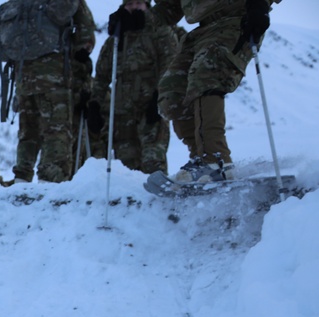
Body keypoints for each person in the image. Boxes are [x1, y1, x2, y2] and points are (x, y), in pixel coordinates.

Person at [145, 0, 280, 182]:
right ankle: (200, 161)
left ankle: (216, 160)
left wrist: (259, 5)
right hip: (201, 30)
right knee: (172, 93)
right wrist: (137, 22)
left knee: (206, 74)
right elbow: (170, 9)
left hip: (236, 19)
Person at [87, 0, 182, 175]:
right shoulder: (116, 39)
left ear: (148, 6)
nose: (134, 8)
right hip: (122, 113)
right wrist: (95, 104)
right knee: (127, 165)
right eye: (129, 4)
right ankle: (131, 200)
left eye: (139, 3)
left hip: (151, 108)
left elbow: (169, 66)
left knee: (153, 160)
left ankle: (158, 197)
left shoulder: (160, 32)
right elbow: (101, 76)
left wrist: (159, 97)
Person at [12, 0, 97, 183]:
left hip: (23, 75)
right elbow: (86, 36)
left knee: (28, 129)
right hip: (54, 75)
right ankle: (50, 178)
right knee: (56, 128)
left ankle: (21, 176)